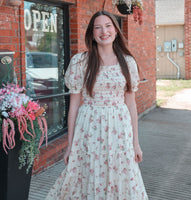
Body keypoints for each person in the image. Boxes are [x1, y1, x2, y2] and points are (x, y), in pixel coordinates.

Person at [46, 10, 148, 200]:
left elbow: (131, 104)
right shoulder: (80, 62)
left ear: (116, 31)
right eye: (98, 27)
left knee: (121, 173)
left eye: (108, 26)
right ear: (92, 34)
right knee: (88, 173)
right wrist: (70, 145)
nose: (104, 31)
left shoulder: (128, 62)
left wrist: (136, 144)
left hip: (119, 129)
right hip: (89, 128)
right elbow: (74, 106)